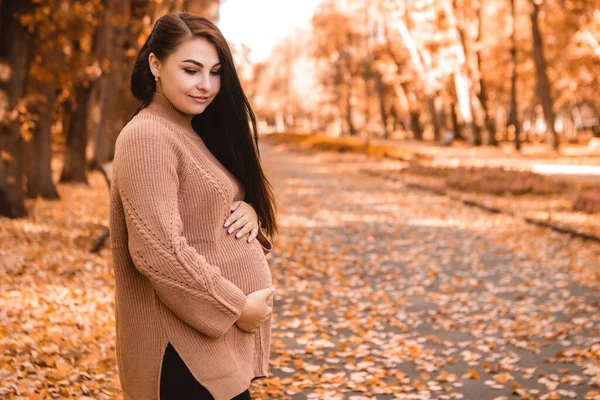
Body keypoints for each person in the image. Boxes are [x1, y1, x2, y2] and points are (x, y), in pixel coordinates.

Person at [108, 11, 278, 400]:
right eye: (191, 70)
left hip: (206, 345)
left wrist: (245, 207)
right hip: (181, 353)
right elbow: (158, 251)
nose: (206, 85)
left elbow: (202, 204)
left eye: (216, 72)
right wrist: (235, 307)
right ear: (155, 63)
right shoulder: (148, 136)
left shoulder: (186, 130)